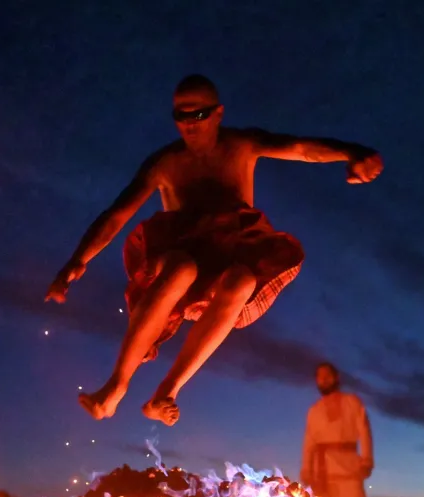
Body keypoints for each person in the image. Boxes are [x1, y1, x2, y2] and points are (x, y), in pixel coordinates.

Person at [46, 74, 383, 426]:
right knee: (181, 268)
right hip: (177, 255)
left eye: (199, 115)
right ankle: (115, 387)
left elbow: (300, 148)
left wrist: (350, 151)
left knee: (241, 281)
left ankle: (166, 392)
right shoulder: (165, 163)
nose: (190, 125)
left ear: (219, 113)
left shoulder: (241, 145)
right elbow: (117, 215)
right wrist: (77, 260)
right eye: (181, 116)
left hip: (227, 256)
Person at [300, 362, 373, 497]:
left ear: (336, 377)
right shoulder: (314, 410)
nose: (324, 380)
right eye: (320, 377)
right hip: (322, 473)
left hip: (349, 468)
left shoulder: (352, 402)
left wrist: (367, 459)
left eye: (327, 376)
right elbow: (309, 442)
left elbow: (364, 431)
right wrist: (306, 469)